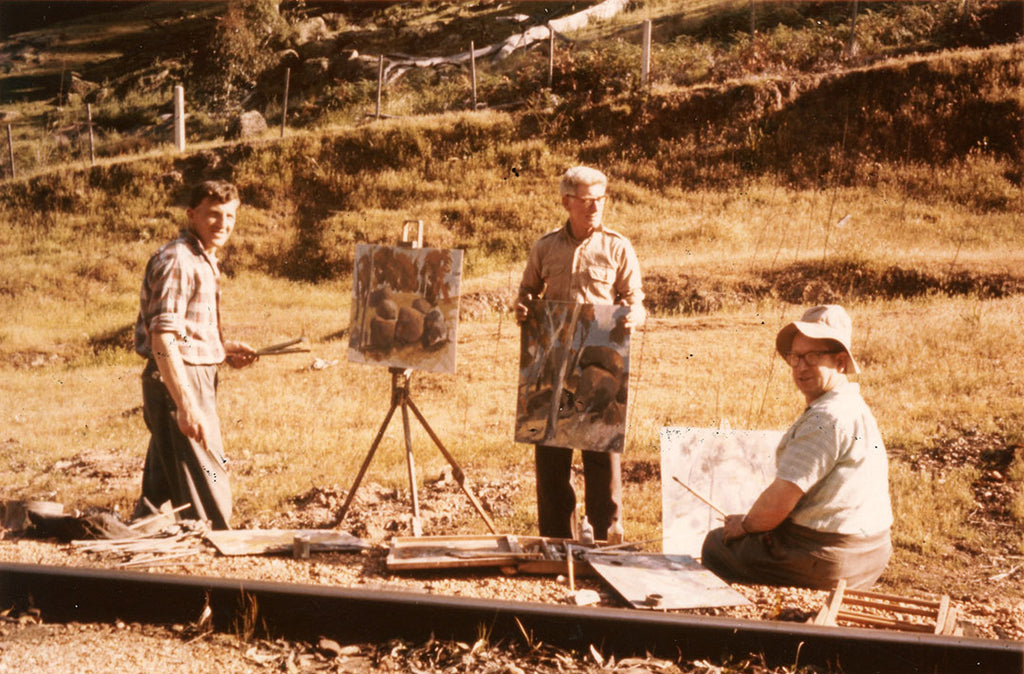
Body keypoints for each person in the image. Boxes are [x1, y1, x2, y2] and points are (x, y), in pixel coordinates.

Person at [700, 304, 893, 590]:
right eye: (795, 357)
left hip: (833, 558)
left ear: (841, 362)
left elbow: (779, 501)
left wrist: (744, 525)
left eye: (813, 356)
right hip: (872, 553)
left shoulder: (825, 419)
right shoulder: (852, 405)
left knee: (716, 546)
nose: (801, 367)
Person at [515, 166, 645, 541]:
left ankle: (606, 537)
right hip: (553, 362)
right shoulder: (545, 247)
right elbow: (526, 292)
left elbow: (636, 301)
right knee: (552, 449)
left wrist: (635, 314)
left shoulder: (618, 247)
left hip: (599, 361)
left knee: (601, 450)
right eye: (587, 201)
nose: (595, 208)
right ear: (566, 202)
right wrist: (523, 307)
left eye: (600, 200)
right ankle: (557, 539)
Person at [132, 180, 257, 530]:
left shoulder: (201, 258)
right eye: (214, 215)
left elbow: (183, 333)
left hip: (189, 373)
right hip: (178, 380)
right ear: (192, 215)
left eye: (230, 216)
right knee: (210, 489)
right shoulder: (179, 261)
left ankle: (126, 562)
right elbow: (163, 337)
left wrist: (220, 349)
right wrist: (186, 405)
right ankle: (215, 564)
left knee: (158, 498)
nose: (223, 225)